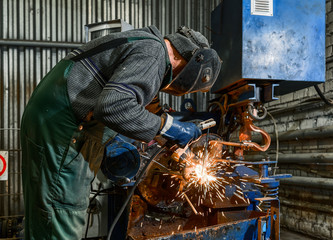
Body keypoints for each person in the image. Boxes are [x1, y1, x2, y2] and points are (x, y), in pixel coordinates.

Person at [20, 25, 221, 239]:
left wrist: (170, 140)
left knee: (46, 212)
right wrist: (171, 128)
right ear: (191, 67)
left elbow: (147, 105)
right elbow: (113, 107)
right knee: (62, 209)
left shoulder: (146, 45)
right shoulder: (153, 54)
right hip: (65, 125)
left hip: (53, 118)